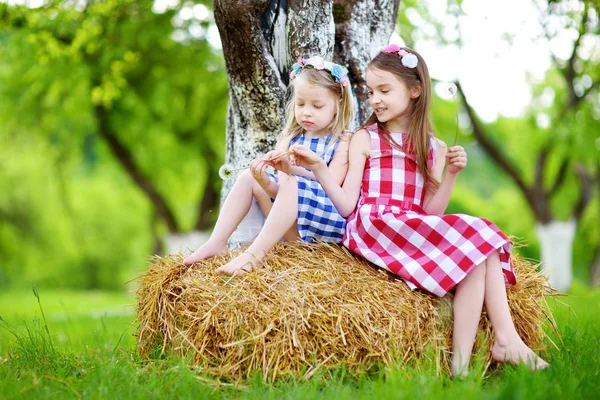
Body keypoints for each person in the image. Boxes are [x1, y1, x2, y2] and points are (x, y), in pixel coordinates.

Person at [289, 45, 548, 376]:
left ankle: (463, 367)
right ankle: (506, 340)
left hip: (410, 225)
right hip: (375, 226)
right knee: (481, 235)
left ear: (415, 90)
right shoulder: (365, 139)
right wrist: (320, 170)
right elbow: (346, 205)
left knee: (480, 255)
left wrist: (451, 175)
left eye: (384, 90)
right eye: (371, 91)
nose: (375, 99)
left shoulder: (433, 147)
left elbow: (430, 212)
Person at [184, 56, 354, 275]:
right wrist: (264, 181)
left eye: (317, 105)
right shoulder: (290, 138)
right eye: (300, 104)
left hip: (321, 229)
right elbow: (280, 192)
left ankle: (253, 255)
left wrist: (291, 170)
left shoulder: (343, 141)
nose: (306, 112)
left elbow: (333, 184)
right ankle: (217, 241)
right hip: (288, 227)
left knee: (293, 183)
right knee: (247, 177)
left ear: (338, 102)